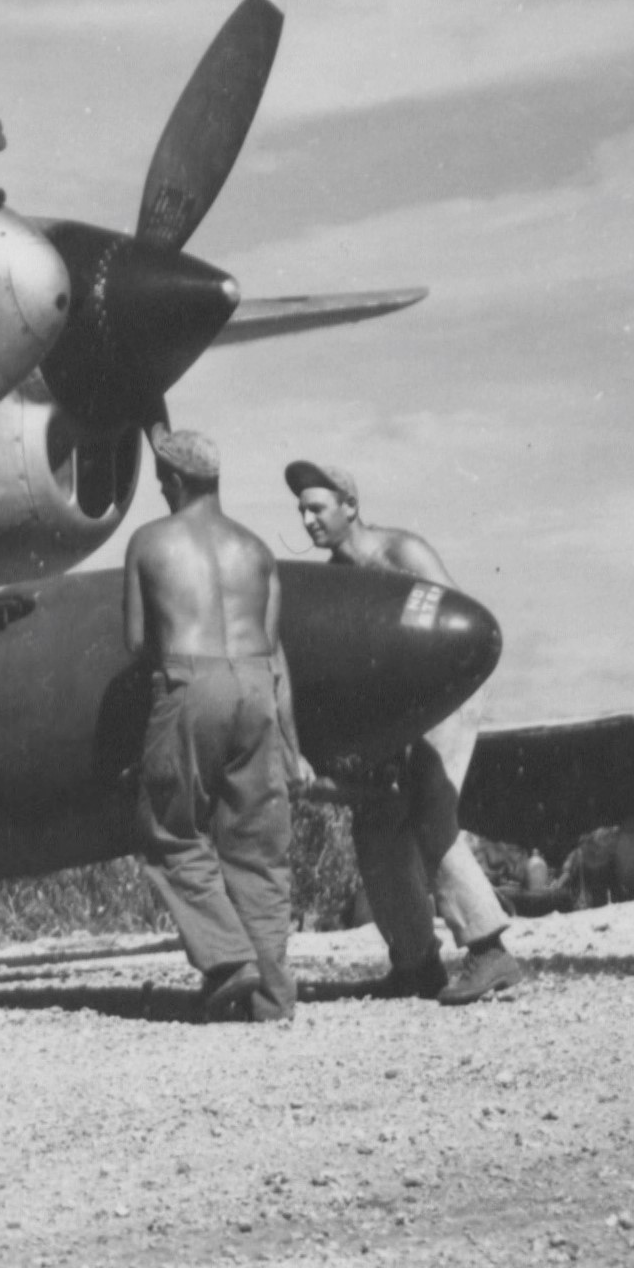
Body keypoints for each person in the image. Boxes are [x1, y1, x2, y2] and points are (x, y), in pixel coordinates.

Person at [281, 460, 529, 1005]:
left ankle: (490, 950)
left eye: (317, 508)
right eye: (301, 511)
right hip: (396, 709)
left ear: (350, 505)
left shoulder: (402, 552)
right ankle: (415, 963)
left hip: (448, 692)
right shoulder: (337, 580)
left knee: (428, 807)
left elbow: (456, 637)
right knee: (376, 823)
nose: (307, 521)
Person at [122, 428, 301, 1022]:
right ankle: (273, 999)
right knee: (256, 847)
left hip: (190, 681)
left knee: (168, 828)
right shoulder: (258, 550)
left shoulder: (150, 541)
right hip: (257, 685)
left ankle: (226, 959)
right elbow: (275, 654)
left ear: (173, 482)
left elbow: (135, 642)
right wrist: (293, 747)